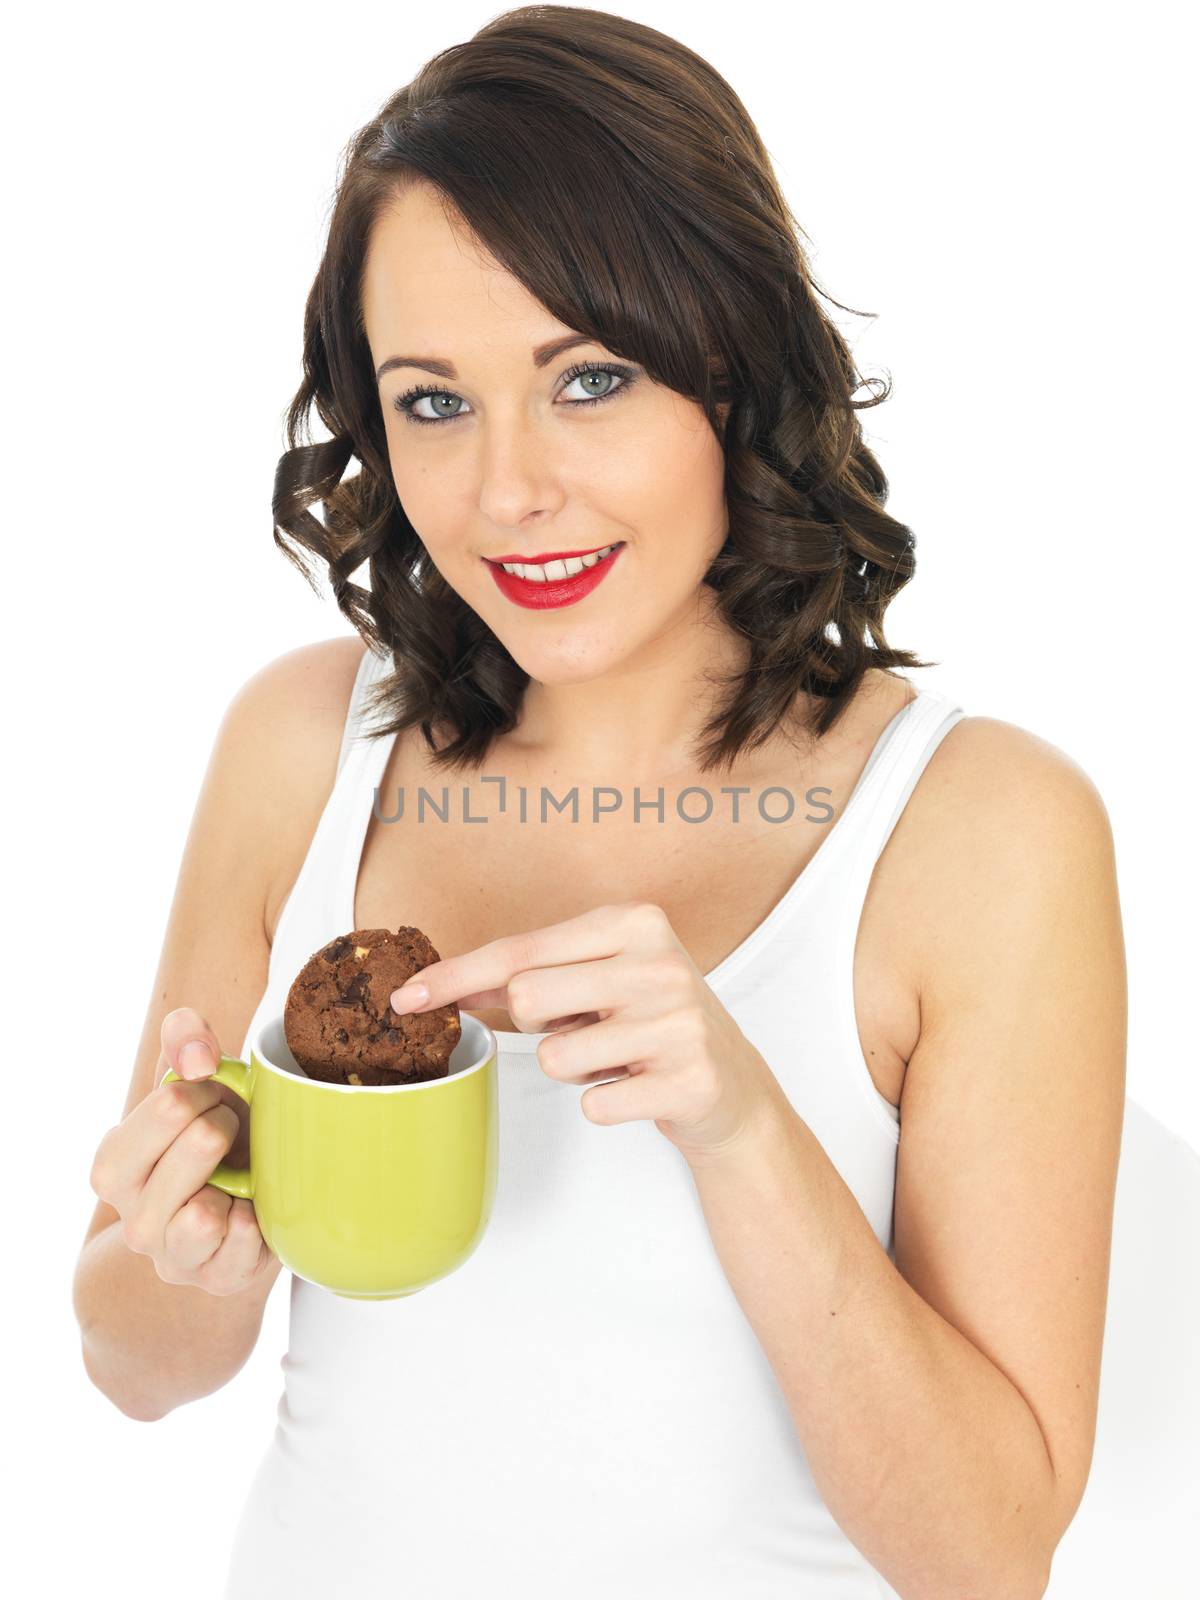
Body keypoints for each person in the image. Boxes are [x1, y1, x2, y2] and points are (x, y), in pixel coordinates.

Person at [72, 8, 1126, 1597]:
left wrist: (742, 1121)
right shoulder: (303, 743)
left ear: (734, 370)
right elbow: (132, 1366)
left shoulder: (983, 832)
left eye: (591, 378)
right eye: (433, 400)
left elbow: (990, 1560)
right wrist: (191, 1250)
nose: (506, 490)